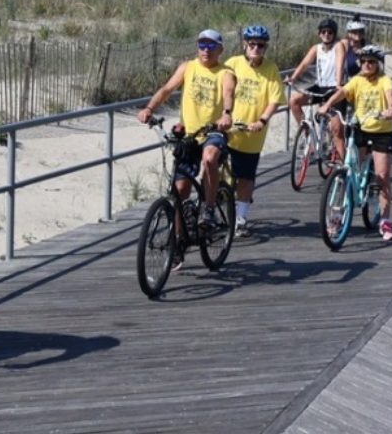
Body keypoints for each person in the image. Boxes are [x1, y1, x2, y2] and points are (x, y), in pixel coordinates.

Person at [137, 29, 236, 267]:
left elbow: (229, 94)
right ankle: (179, 242)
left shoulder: (226, 73)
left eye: (211, 46)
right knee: (180, 192)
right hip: (190, 137)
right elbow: (166, 90)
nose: (206, 49)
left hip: (213, 132)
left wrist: (227, 114)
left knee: (210, 157)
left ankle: (210, 209)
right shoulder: (187, 67)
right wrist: (150, 109)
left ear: (220, 50)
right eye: (202, 44)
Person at [321, 44, 392, 240]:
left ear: (378, 64)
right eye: (363, 61)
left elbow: (391, 96)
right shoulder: (357, 80)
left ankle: (385, 221)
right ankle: (337, 217)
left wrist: (391, 109)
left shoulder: (384, 80)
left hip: (382, 132)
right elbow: (342, 92)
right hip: (361, 130)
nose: (367, 65)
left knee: (382, 177)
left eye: (371, 61)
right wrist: (328, 105)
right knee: (348, 170)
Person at [226, 25, 285, 237]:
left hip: (252, 134)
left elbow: (275, 100)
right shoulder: (232, 64)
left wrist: (262, 120)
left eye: (261, 45)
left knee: (245, 178)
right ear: (245, 45)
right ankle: (213, 212)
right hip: (228, 129)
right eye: (252, 44)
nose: (256, 48)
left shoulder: (271, 69)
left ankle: (241, 219)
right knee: (214, 169)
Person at [287, 17, 345, 162]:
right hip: (320, 87)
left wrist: (338, 83)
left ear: (334, 34)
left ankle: (344, 167)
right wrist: (293, 78)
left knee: (337, 130)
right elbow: (304, 64)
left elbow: (339, 63)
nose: (327, 34)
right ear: (319, 33)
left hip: (334, 89)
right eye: (323, 31)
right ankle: (307, 137)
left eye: (330, 32)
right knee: (294, 100)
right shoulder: (316, 48)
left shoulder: (338, 46)